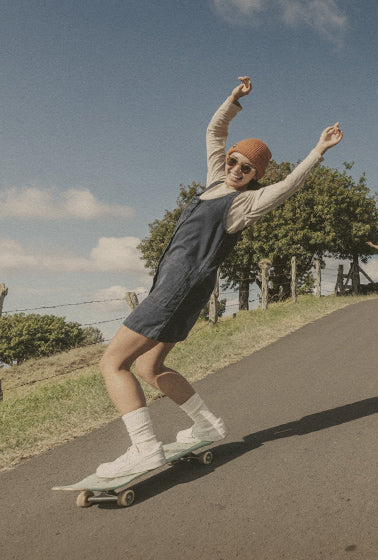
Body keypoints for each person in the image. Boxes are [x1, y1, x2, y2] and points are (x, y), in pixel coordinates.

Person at [96, 76, 343, 478]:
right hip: (182, 288)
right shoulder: (214, 178)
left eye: (246, 168)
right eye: (233, 160)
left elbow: (288, 186)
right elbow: (214, 132)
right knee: (149, 368)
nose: (236, 169)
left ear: (254, 175)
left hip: (179, 288)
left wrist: (318, 150)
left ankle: (144, 449)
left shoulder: (245, 203)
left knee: (113, 363)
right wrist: (233, 100)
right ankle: (207, 425)